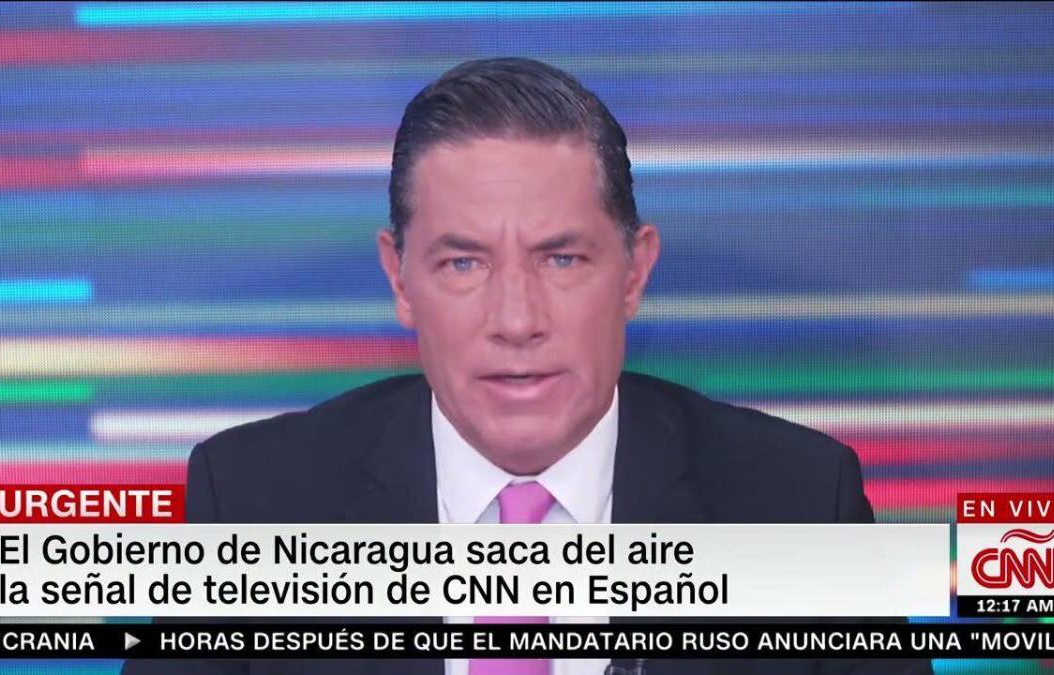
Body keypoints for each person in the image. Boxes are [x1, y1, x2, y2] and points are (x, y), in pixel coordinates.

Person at [124, 57, 931, 675]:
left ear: (634, 271)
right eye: (463, 263)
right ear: (399, 279)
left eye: (561, 258)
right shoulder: (254, 504)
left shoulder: (798, 506)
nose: (516, 321)